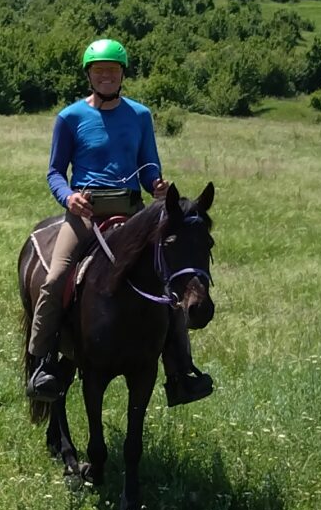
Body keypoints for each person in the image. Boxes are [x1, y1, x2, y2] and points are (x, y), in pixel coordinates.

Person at [25, 38, 214, 406]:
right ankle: (43, 363)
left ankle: (181, 372)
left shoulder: (140, 116)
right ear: (89, 76)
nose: (107, 76)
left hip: (134, 213)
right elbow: (54, 172)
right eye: (100, 71)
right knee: (54, 278)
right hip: (85, 212)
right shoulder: (70, 118)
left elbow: (149, 167)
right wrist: (69, 197)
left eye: (113, 70)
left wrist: (156, 185)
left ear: (123, 74)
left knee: (171, 282)